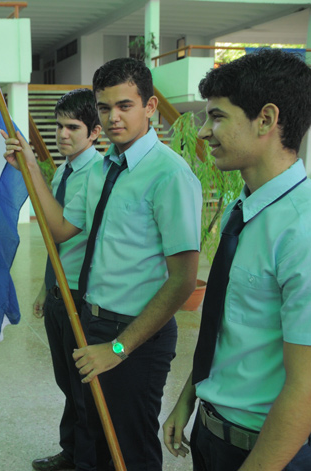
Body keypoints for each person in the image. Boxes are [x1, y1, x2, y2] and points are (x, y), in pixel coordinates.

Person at [5, 58, 202, 470]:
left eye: (125, 106)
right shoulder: (102, 168)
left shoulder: (170, 175)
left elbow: (183, 280)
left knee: (129, 450)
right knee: (94, 441)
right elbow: (60, 228)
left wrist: (119, 348)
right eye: (105, 107)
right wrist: (29, 167)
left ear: (150, 107)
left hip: (135, 336)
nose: (113, 118)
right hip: (92, 322)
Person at [163, 49, 311, 471]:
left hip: (267, 452)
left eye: (218, 117)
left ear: (266, 119)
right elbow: (228, 330)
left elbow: (305, 388)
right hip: (212, 433)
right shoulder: (246, 208)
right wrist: (190, 399)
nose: (205, 132)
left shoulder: (301, 230)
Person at [30, 89, 103, 471]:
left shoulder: (97, 174)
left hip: (81, 294)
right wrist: (46, 287)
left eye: (72, 127)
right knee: (66, 384)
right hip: (60, 291)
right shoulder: (63, 170)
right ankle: (71, 452)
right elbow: (52, 243)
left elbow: (61, 232)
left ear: (94, 133)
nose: (62, 134)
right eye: (58, 126)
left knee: (84, 390)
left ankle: (86, 461)